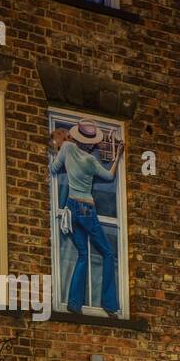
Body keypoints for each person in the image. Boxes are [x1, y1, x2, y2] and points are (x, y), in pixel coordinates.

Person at [49, 119, 122, 316]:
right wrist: (117, 158)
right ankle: (109, 304)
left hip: (71, 207)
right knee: (107, 253)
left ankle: (74, 304)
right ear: (90, 143)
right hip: (86, 209)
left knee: (83, 254)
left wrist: (57, 149)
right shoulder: (91, 161)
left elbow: (53, 169)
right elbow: (109, 177)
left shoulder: (66, 149)